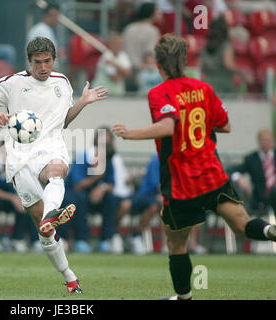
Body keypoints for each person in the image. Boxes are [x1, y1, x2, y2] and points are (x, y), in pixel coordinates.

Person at [112, 33, 276, 300]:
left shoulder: (159, 93)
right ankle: (271, 230)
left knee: (176, 244)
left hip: (182, 184)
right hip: (213, 175)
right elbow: (225, 125)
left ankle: (185, 298)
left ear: (159, 64)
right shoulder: (204, 88)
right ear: (185, 60)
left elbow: (168, 125)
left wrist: (130, 133)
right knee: (242, 225)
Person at [0, 37, 107, 293]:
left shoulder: (63, 83)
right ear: (29, 62)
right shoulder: (13, 83)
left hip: (51, 147)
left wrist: (82, 102)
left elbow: (62, 121)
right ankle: (69, 276)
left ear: (54, 60)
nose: (43, 67)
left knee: (57, 171)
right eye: (37, 63)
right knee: (43, 231)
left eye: (47, 61)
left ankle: (51, 214)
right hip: (20, 158)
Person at [60, 127, 118, 253]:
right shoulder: (83, 157)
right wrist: (96, 177)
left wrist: (102, 188)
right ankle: (81, 239)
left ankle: (105, 240)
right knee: (78, 198)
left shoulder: (108, 160)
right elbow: (77, 185)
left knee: (111, 199)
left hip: (95, 196)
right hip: (75, 195)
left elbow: (112, 184)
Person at [0, 143, 39, 252]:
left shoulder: (20, 164)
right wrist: (12, 198)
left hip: (15, 199)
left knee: (29, 199)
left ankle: (19, 239)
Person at [114, 153, 162, 255]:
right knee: (125, 205)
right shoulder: (156, 159)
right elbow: (157, 185)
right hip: (144, 195)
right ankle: (115, 234)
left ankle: (136, 236)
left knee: (155, 207)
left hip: (156, 200)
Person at [231, 128, 276, 216]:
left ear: (273, 140)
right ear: (259, 141)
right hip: (260, 201)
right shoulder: (251, 159)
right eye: (263, 140)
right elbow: (232, 170)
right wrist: (239, 177)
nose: (266, 142)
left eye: (268, 140)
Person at [200, 18, 251, 94]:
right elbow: (228, 64)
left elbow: (200, 67)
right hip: (224, 87)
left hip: (207, 87)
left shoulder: (205, 47)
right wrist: (243, 75)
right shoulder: (226, 45)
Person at [121, 1, 160, 91]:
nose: (160, 14)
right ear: (151, 13)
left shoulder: (129, 28)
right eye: (157, 12)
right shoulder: (152, 30)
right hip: (141, 74)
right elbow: (148, 55)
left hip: (125, 71)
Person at [26, 3, 61, 68]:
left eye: (57, 16)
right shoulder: (42, 30)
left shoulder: (46, 29)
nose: (56, 19)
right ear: (45, 16)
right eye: (53, 15)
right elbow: (43, 58)